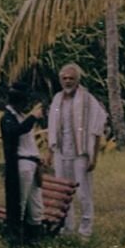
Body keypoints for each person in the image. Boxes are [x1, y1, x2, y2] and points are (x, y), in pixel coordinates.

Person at [47, 63, 107, 239]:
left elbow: (97, 128)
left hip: (81, 153)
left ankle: (85, 231)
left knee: (83, 193)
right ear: (60, 80)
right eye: (64, 78)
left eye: (71, 78)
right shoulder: (57, 99)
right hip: (61, 151)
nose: (67, 81)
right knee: (63, 192)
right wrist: (50, 152)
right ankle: (67, 228)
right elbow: (51, 127)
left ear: (77, 80)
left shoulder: (87, 100)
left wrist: (94, 157)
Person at [0, 82, 45, 248]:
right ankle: (15, 241)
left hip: (32, 163)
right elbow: (16, 132)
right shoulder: (7, 118)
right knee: (19, 203)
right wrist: (33, 117)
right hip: (22, 163)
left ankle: (33, 239)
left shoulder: (19, 116)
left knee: (35, 203)